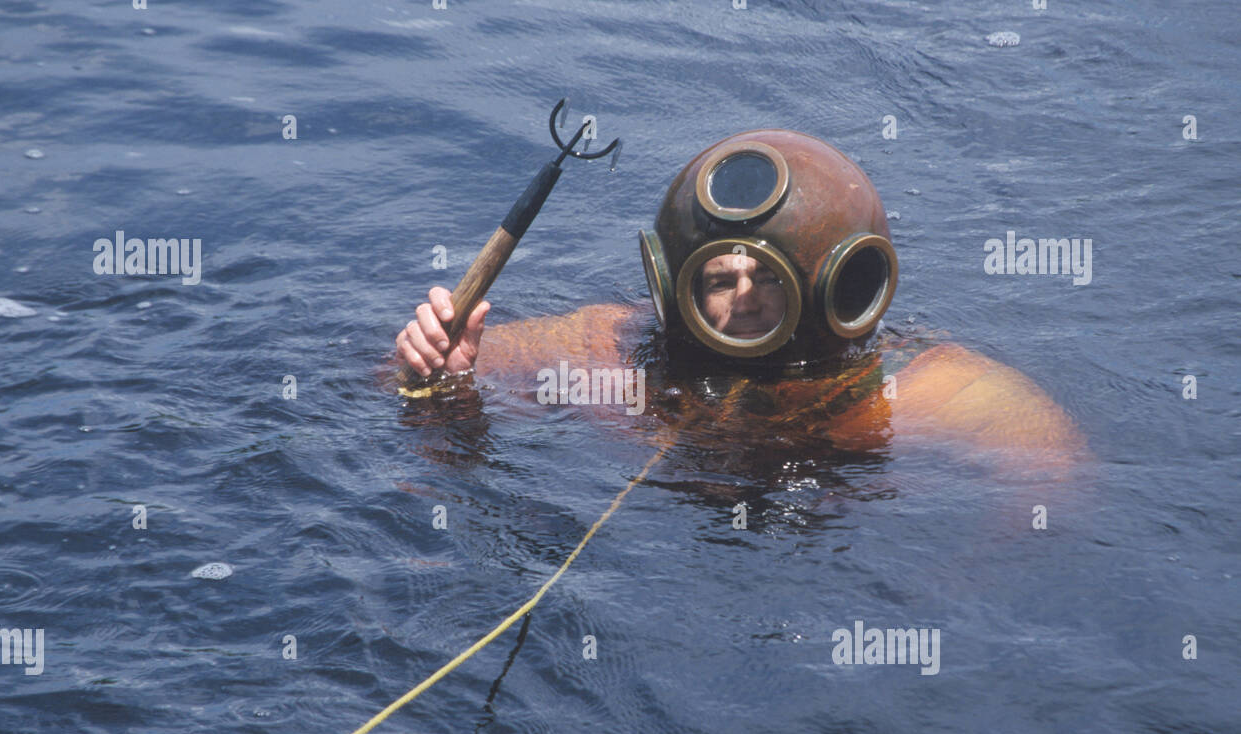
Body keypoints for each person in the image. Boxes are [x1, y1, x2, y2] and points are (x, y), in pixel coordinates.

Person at [393, 130, 1088, 479]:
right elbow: (390, 394)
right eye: (719, 280)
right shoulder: (609, 349)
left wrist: (955, 581)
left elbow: (1058, 478)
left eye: (770, 278)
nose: (746, 296)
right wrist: (441, 377)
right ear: (674, 288)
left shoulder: (912, 389)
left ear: (840, 290)